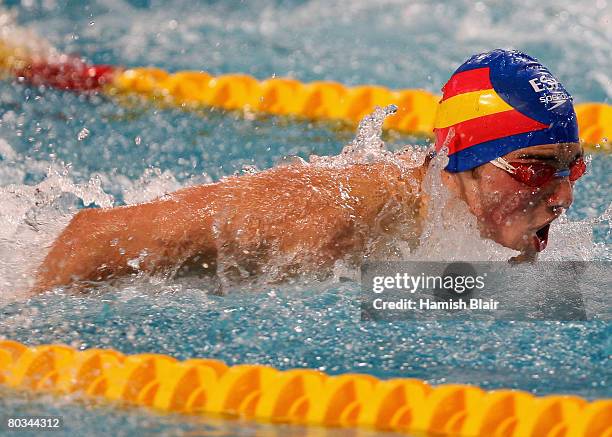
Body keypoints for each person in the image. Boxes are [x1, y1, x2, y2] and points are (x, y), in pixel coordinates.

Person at [32, 49, 585, 292]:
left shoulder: (481, 219)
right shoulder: (326, 222)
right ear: (457, 161)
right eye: (534, 169)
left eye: (571, 168)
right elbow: (91, 238)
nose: (561, 196)